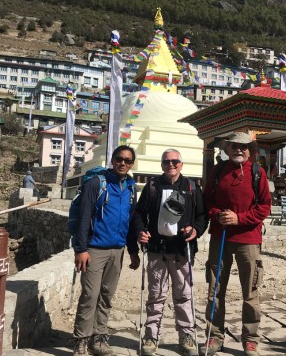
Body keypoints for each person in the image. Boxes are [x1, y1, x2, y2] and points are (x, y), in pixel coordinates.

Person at [200, 133, 271, 356]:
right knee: (215, 290)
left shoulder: (257, 173)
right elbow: (207, 201)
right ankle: (214, 337)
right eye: (234, 146)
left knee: (250, 292)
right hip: (220, 237)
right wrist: (218, 214)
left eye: (243, 147)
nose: (238, 150)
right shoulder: (218, 171)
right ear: (227, 149)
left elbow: (265, 207)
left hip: (248, 240)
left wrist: (240, 219)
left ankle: (250, 339)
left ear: (250, 150)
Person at [134, 148, 208, 356]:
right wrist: (141, 231)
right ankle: (150, 335)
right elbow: (139, 214)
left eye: (175, 161)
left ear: (181, 164)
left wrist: (196, 231)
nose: (171, 165)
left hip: (181, 250)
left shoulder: (192, 187)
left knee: (184, 295)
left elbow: (202, 216)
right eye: (166, 162)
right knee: (156, 295)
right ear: (161, 165)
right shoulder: (152, 187)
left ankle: (187, 335)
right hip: (157, 248)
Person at [72, 145, 140, 356]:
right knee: (89, 295)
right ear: (112, 160)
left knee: (106, 296)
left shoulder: (130, 187)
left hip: (117, 250)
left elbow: (130, 220)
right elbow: (83, 217)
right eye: (119, 159)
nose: (123, 163)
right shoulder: (96, 183)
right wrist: (81, 249)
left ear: (132, 164)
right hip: (94, 250)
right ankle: (81, 340)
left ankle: (98, 338)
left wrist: (132, 250)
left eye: (128, 161)